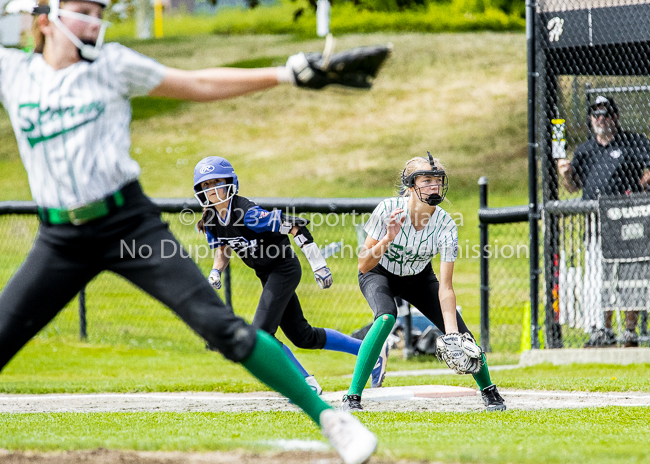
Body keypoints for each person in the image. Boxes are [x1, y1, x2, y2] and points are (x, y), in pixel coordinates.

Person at [0, 1, 378, 462]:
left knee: (227, 331)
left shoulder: (114, 65)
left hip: (128, 224)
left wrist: (287, 74)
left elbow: (196, 82)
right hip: (59, 237)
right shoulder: (14, 71)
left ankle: (328, 417)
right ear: (44, 19)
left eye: (100, 10)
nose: (94, 20)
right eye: (82, 9)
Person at [340, 153, 506, 412]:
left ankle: (488, 389)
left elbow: (446, 287)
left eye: (437, 180)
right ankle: (352, 396)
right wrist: (387, 238)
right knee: (385, 318)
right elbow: (363, 264)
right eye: (426, 180)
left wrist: (451, 332)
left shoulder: (446, 225)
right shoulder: (387, 210)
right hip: (379, 272)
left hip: (418, 277)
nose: (434, 186)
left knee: (462, 334)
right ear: (410, 186)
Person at [193, 156, 368, 394]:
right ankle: (369, 351)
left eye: (216, 182)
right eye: (205, 185)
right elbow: (223, 250)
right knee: (302, 336)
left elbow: (297, 226)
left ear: (230, 182)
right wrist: (215, 271)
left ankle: (305, 384)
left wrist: (319, 266)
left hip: (283, 269)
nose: (211, 189)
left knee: (261, 335)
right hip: (266, 274)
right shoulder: (212, 218)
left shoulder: (248, 213)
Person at [557, 95, 650, 348]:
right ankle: (603, 330)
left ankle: (629, 330)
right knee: (599, 275)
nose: (600, 119)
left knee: (630, 273)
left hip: (627, 219)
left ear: (615, 117)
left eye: (605, 114)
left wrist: (638, 188)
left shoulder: (633, 142)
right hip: (596, 223)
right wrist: (565, 175)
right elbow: (573, 187)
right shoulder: (585, 150)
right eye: (596, 114)